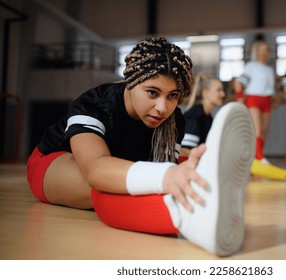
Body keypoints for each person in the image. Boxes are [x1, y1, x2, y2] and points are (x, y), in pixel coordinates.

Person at [26, 37, 255, 257]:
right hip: (54, 160)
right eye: (152, 93)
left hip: (122, 163)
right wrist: (166, 176)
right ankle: (183, 218)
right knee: (101, 186)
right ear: (132, 81)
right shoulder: (94, 104)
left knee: (184, 168)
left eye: (173, 96)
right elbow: (95, 169)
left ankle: (208, 199)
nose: (162, 107)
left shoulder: (174, 121)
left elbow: (160, 166)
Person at [234, 40, 275, 163]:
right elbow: (238, 82)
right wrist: (240, 97)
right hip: (253, 99)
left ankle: (256, 157)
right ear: (256, 52)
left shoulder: (269, 69)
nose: (264, 53)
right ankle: (259, 157)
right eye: (261, 50)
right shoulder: (251, 66)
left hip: (266, 100)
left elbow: (270, 89)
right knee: (256, 129)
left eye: (266, 50)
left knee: (263, 131)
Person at [180, 72, 225, 160]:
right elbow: (184, 151)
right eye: (219, 90)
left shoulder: (207, 116)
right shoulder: (194, 116)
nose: (223, 94)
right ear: (206, 93)